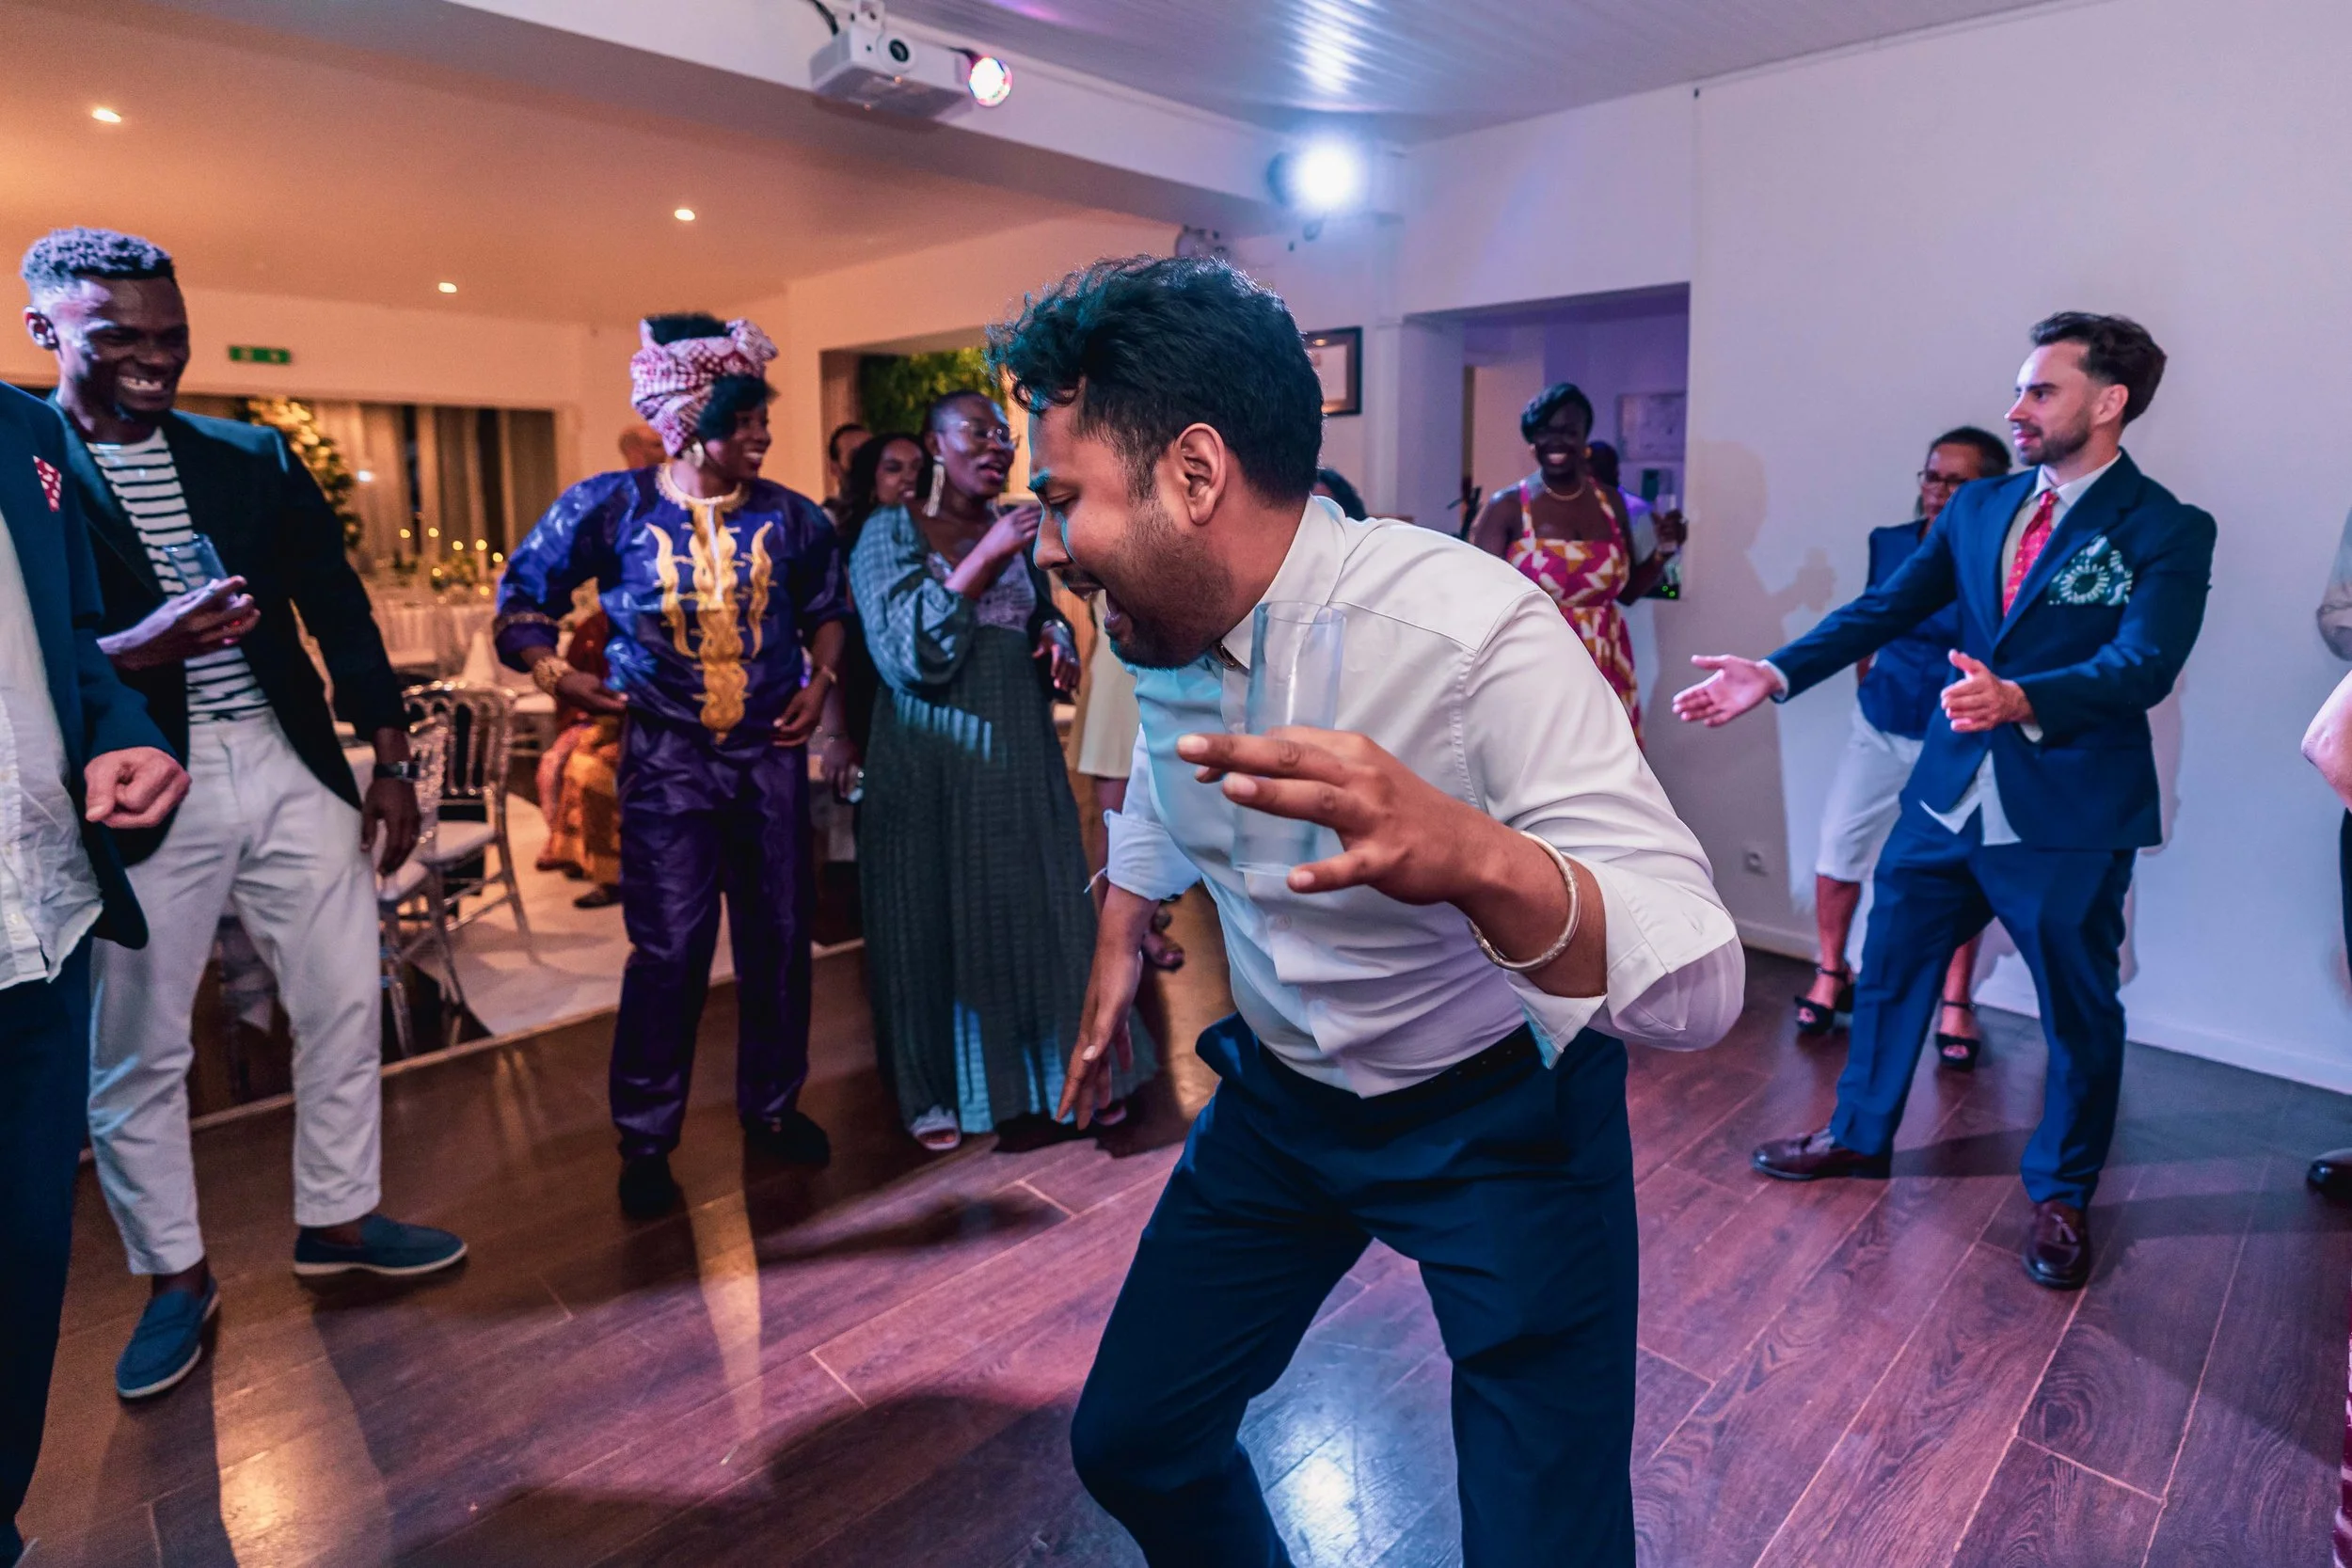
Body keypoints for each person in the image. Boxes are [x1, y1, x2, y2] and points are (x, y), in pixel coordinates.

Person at [1005, 255, 1741, 1567]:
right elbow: (1163, 791)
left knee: (1548, 1542)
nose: (1050, 545)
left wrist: (1474, 857)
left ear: (1192, 473)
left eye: (1063, 499)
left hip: (1499, 1117)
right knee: (1133, 1437)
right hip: (1285, 1108)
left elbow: (1703, 982)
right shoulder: (1155, 619)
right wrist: (1124, 925)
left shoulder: (1471, 632)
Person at [1674, 312, 2212, 1291]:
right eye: (2017, 388)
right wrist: (1777, 671)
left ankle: (2060, 1193)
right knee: (1887, 968)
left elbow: (2145, 662)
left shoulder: (2165, 526)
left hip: (2067, 808)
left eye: (2040, 391)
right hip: (1947, 790)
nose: (2015, 408)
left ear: (2108, 401)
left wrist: (2025, 697)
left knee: (2076, 1011)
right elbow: (1884, 607)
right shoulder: (1976, 509)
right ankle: (1858, 1132)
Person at [23, 228, 465, 1406]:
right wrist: (144, 642)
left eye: (171, 336)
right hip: (135, 784)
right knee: (141, 1048)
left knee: (340, 1001)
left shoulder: (250, 453)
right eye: (120, 336)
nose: (155, 360)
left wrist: (387, 755)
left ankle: (339, 1217)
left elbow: (336, 603)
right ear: (45, 331)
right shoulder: (23, 461)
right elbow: (27, 651)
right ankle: (173, 1277)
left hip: (286, 757)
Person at [496, 312, 849, 1218]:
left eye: (764, 421)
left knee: (778, 940)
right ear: (692, 422)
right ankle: (647, 1139)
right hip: (665, 761)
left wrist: (823, 678)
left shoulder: (793, 515)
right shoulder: (609, 506)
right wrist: (557, 669)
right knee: (670, 951)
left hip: (769, 757)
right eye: (746, 421)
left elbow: (826, 603)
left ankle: (773, 1108)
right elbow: (522, 598)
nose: (764, 436)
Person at [850, 389, 1154, 1153]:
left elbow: (1038, 613)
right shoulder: (889, 530)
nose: (995, 446)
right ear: (934, 443)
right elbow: (907, 656)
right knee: (930, 919)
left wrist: (1050, 635)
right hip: (931, 753)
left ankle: (1069, 1075)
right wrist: (982, 560)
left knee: (1044, 912)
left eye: (1002, 435)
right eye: (975, 432)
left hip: (1018, 743)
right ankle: (937, 1089)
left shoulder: (1016, 529)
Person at [0, 379, 188, 1568]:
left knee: (21, 1278)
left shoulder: (24, 431)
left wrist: (124, 722)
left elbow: (67, 634)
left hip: (42, 926)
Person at [1795, 427, 2011, 1066]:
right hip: (1882, 720)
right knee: (1839, 844)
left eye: (1956, 481)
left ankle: (1955, 1000)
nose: (1938, 491)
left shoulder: (1998, 554)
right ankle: (1832, 971)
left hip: (1959, 734)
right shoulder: (1889, 542)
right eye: (1931, 476)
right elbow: (1874, 614)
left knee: (1958, 868)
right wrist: (1867, 676)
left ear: (1989, 491)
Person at [1469, 384, 1686, 740]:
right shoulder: (1507, 507)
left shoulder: (1612, 504)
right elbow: (1481, 599)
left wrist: (1663, 551)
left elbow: (1627, 593)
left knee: (1604, 771)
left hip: (1606, 661)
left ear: (1584, 437)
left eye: (1569, 431)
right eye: (1546, 431)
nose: (1557, 442)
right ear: (1532, 439)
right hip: (1534, 661)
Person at [814, 430, 921, 800]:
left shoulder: (936, 535)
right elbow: (835, 637)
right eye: (894, 469)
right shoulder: (848, 541)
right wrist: (836, 732)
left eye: (917, 467)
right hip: (868, 692)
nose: (908, 477)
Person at [532, 609, 623, 908]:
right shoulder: (594, 627)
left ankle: (613, 875)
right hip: (598, 721)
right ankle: (574, 854)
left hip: (641, 727)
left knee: (594, 772)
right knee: (555, 765)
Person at [821, 420, 869, 523]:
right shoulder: (825, 522)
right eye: (856, 456)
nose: (866, 462)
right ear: (835, 468)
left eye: (871, 453)